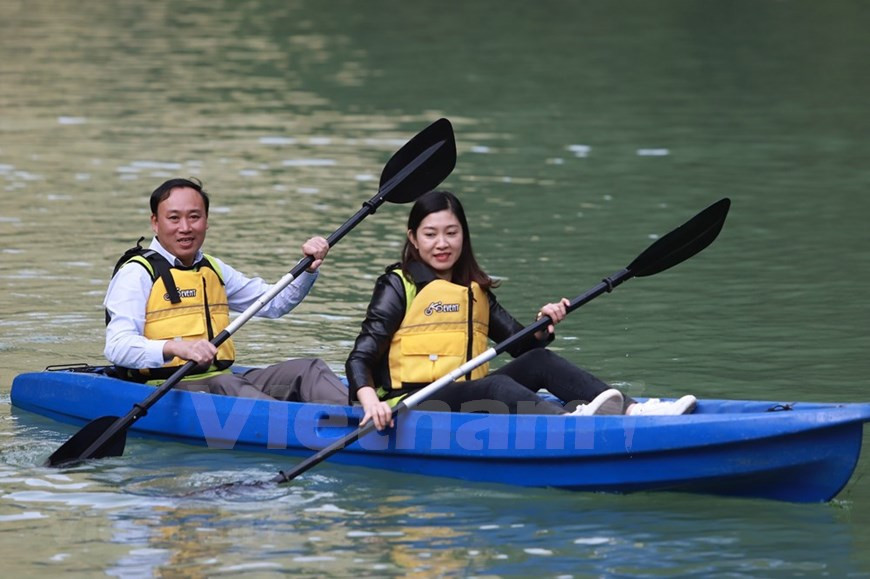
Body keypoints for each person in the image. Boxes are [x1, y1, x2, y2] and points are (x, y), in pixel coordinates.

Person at [345, 190, 697, 430]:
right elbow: (359, 358)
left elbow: (523, 347)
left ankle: (634, 410)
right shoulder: (397, 284)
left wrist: (543, 327)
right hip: (412, 406)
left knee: (539, 362)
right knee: (496, 385)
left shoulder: (475, 290)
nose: (442, 243)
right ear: (413, 238)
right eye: (431, 234)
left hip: (467, 399)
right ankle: (565, 424)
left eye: (451, 232)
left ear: (463, 235)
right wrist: (370, 403)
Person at [103, 177, 347, 404]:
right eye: (174, 218)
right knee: (228, 383)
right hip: (162, 386)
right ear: (155, 222)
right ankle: (314, 433)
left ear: (206, 221)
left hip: (223, 378)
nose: (185, 227)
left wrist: (308, 269)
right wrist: (176, 347)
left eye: (194, 217)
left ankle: (365, 417)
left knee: (309, 370)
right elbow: (117, 347)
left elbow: (275, 303)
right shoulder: (136, 273)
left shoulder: (213, 269)